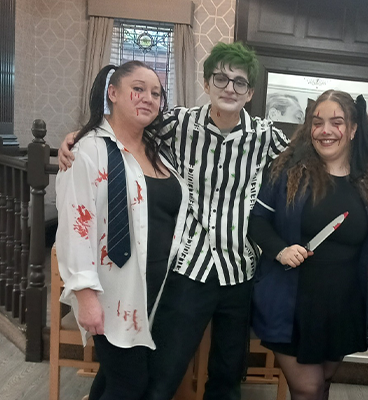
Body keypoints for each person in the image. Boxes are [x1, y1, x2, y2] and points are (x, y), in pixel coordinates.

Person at [59, 42, 289, 400]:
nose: (230, 88)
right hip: (188, 268)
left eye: (240, 82)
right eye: (221, 79)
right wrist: (82, 135)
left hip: (239, 270)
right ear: (206, 83)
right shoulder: (177, 124)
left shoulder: (266, 136)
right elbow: (125, 128)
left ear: (250, 93)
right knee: (164, 371)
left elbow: (304, 161)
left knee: (229, 374)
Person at [55, 61, 188, 400]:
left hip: (157, 286)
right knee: (130, 384)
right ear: (113, 93)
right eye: (138, 89)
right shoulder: (87, 151)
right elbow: (75, 226)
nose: (148, 98)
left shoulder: (159, 152)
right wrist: (85, 295)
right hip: (112, 290)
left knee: (115, 379)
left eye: (155, 93)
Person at [248, 90, 368, 400]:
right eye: (317, 122)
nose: (325, 130)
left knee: (323, 385)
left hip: (343, 305)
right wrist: (280, 250)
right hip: (292, 305)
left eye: (336, 122)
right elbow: (257, 221)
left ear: (353, 129)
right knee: (308, 389)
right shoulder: (287, 172)